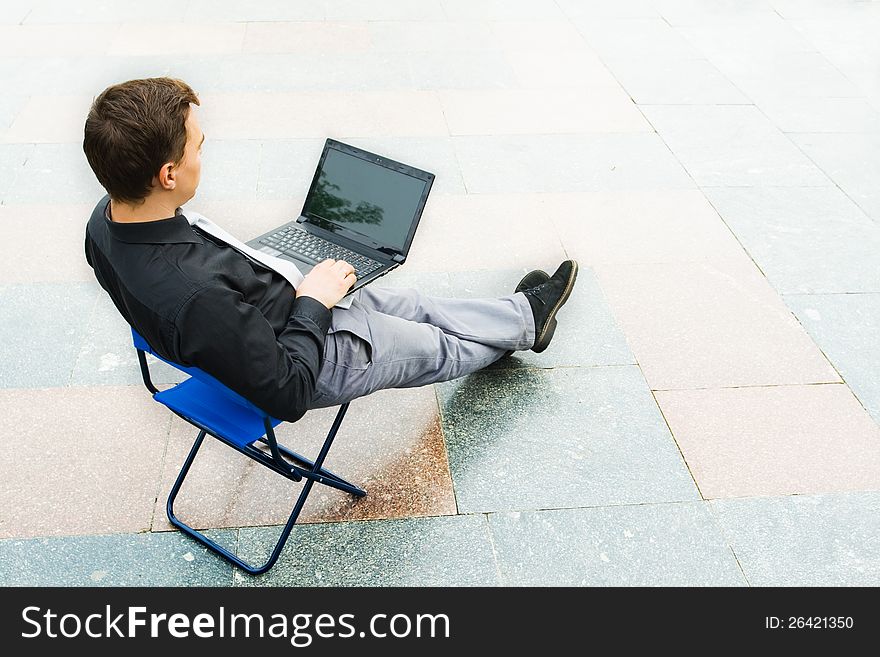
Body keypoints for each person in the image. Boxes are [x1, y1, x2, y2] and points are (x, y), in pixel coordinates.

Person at [82, 77, 578, 423]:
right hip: (313, 352)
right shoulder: (196, 297)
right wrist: (313, 302)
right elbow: (288, 391)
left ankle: (525, 317)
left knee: (417, 306)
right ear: (167, 175)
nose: (202, 153)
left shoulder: (105, 220)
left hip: (275, 309)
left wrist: (286, 282)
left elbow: (200, 296)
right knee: (434, 347)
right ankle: (521, 332)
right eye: (197, 146)